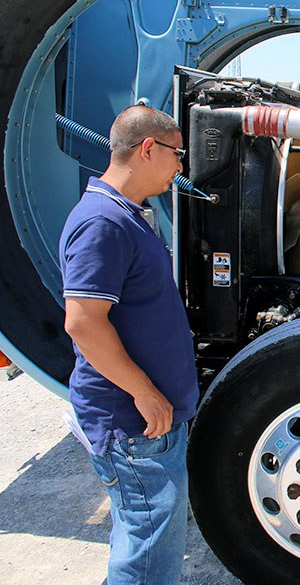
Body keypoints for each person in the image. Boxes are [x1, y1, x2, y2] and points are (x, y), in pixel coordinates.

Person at [58, 105, 199, 585]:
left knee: (145, 538)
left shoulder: (123, 216)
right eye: (177, 154)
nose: (180, 167)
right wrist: (143, 390)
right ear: (147, 149)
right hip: (133, 422)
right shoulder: (103, 223)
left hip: (148, 419)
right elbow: (82, 322)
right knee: (145, 553)